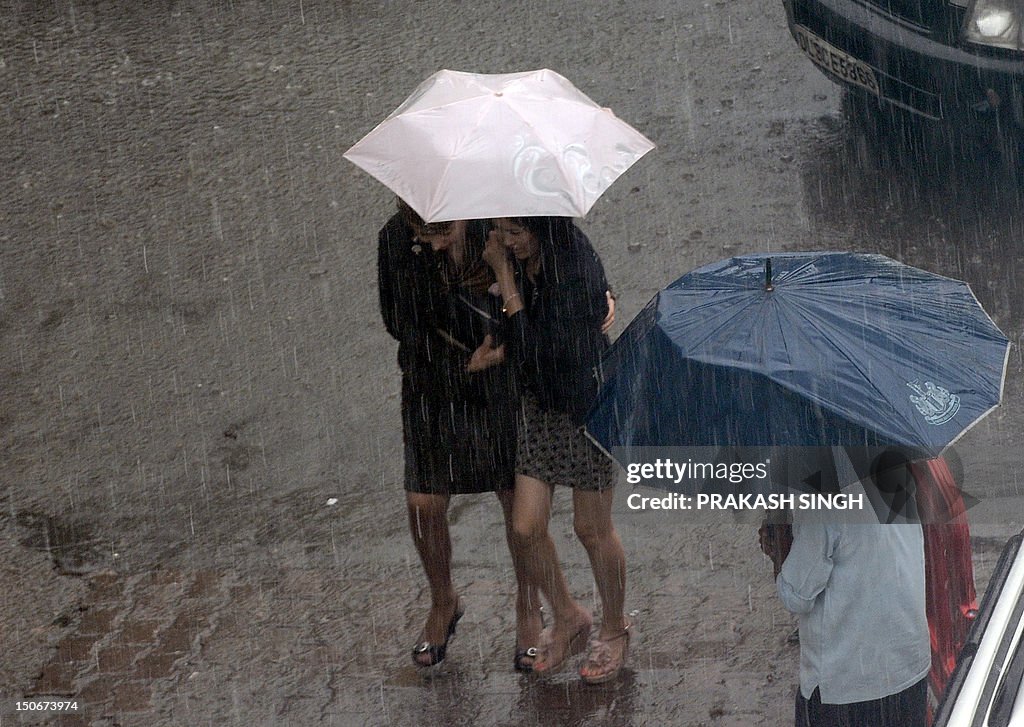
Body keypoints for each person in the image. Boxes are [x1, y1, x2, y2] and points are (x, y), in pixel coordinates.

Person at [377, 199, 541, 670]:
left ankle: (528, 604)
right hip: (432, 380)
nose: (434, 243)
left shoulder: (501, 224)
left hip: (499, 378)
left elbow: (547, 284)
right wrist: (454, 358)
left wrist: (501, 345)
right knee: (423, 502)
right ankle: (443, 599)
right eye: (423, 234)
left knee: (516, 497)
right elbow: (396, 321)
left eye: (443, 232)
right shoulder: (395, 239)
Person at [481, 216, 630, 684]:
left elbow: (542, 350)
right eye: (500, 232)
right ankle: (567, 614)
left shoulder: (572, 262)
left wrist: (505, 284)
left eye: (516, 231)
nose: (508, 242)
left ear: (540, 225)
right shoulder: (522, 259)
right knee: (525, 529)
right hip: (541, 407)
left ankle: (614, 625)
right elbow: (516, 341)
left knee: (591, 527)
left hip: (587, 405)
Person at [763, 447, 930, 727]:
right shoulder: (892, 466)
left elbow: (795, 595)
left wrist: (778, 546)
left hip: (847, 691)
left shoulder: (822, 492)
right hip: (908, 672)